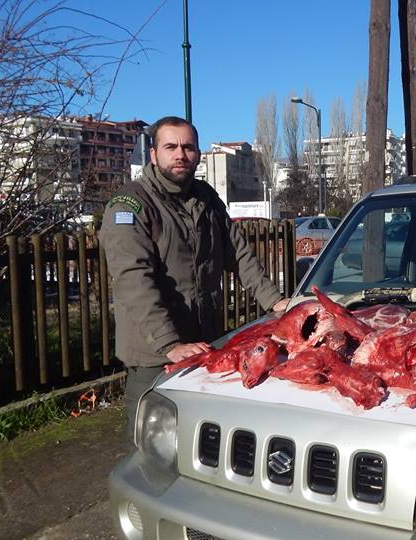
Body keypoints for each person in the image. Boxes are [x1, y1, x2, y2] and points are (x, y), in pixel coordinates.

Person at [99, 116, 288, 437]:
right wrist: (170, 344)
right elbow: (134, 282)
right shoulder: (131, 205)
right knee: (156, 443)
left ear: (198, 153)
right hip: (156, 354)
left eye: (188, 147)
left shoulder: (205, 198)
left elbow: (238, 254)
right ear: (153, 154)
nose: (180, 154)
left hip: (206, 342)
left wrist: (275, 301)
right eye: (170, 146)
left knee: (207, 437)